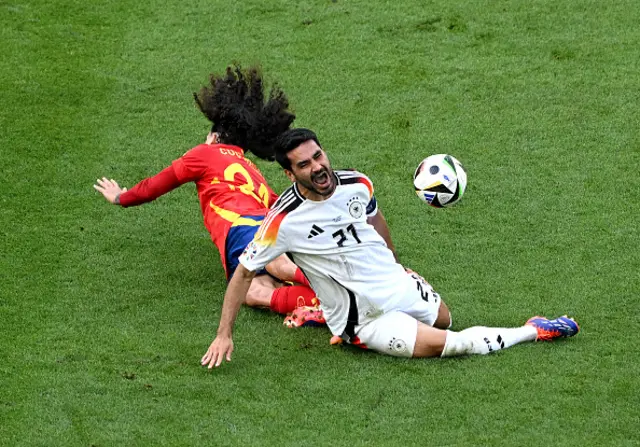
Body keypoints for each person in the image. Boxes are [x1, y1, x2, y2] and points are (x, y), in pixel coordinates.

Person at [201, 128, 579, 368]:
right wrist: (224, 333)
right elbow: (244, 273)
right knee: (454, 344)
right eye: (305, 164)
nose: (318, 167)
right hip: (363, 318)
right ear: (290, 174)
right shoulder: (282, 221)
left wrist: (398, 267)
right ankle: (534, 330)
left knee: (445, 318)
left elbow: (375, 221)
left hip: (394, 283)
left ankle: (331, 310)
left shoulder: (356, 184)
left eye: (319, 156)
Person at [93, 67, 323, 324]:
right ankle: (318, 304)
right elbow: (278, 204)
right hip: (268, 225)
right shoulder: (251, 168)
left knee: (273, 266)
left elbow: (157, 185)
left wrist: (120, 198)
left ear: (214, 136)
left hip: (241, 227)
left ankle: (331, 285)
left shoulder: (205, 152)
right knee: (252, 291)